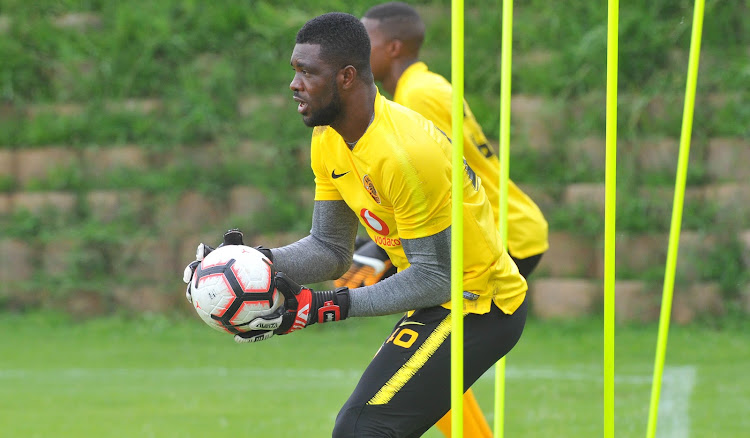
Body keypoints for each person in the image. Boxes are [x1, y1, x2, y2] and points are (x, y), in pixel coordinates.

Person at [184, 12, 528, 437]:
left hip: (480, 302)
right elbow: (330, 249)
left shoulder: (405, 155)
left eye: (307, 72)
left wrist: (325, 307)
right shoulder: (328, 136)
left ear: (346, 77)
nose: (294, 84)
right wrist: (250, 266)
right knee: (361, 427)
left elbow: (436, 277)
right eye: (295, 71)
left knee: (364, 427)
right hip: (443, 298)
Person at [332, 3, 550, 436]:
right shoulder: (423, 87)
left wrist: (379, 252)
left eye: (366, 41)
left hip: (500, 235)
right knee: (427, 363)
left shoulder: (417, 95)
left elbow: (434, 184)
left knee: (419, 363)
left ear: (393, 48)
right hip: (497, 229)